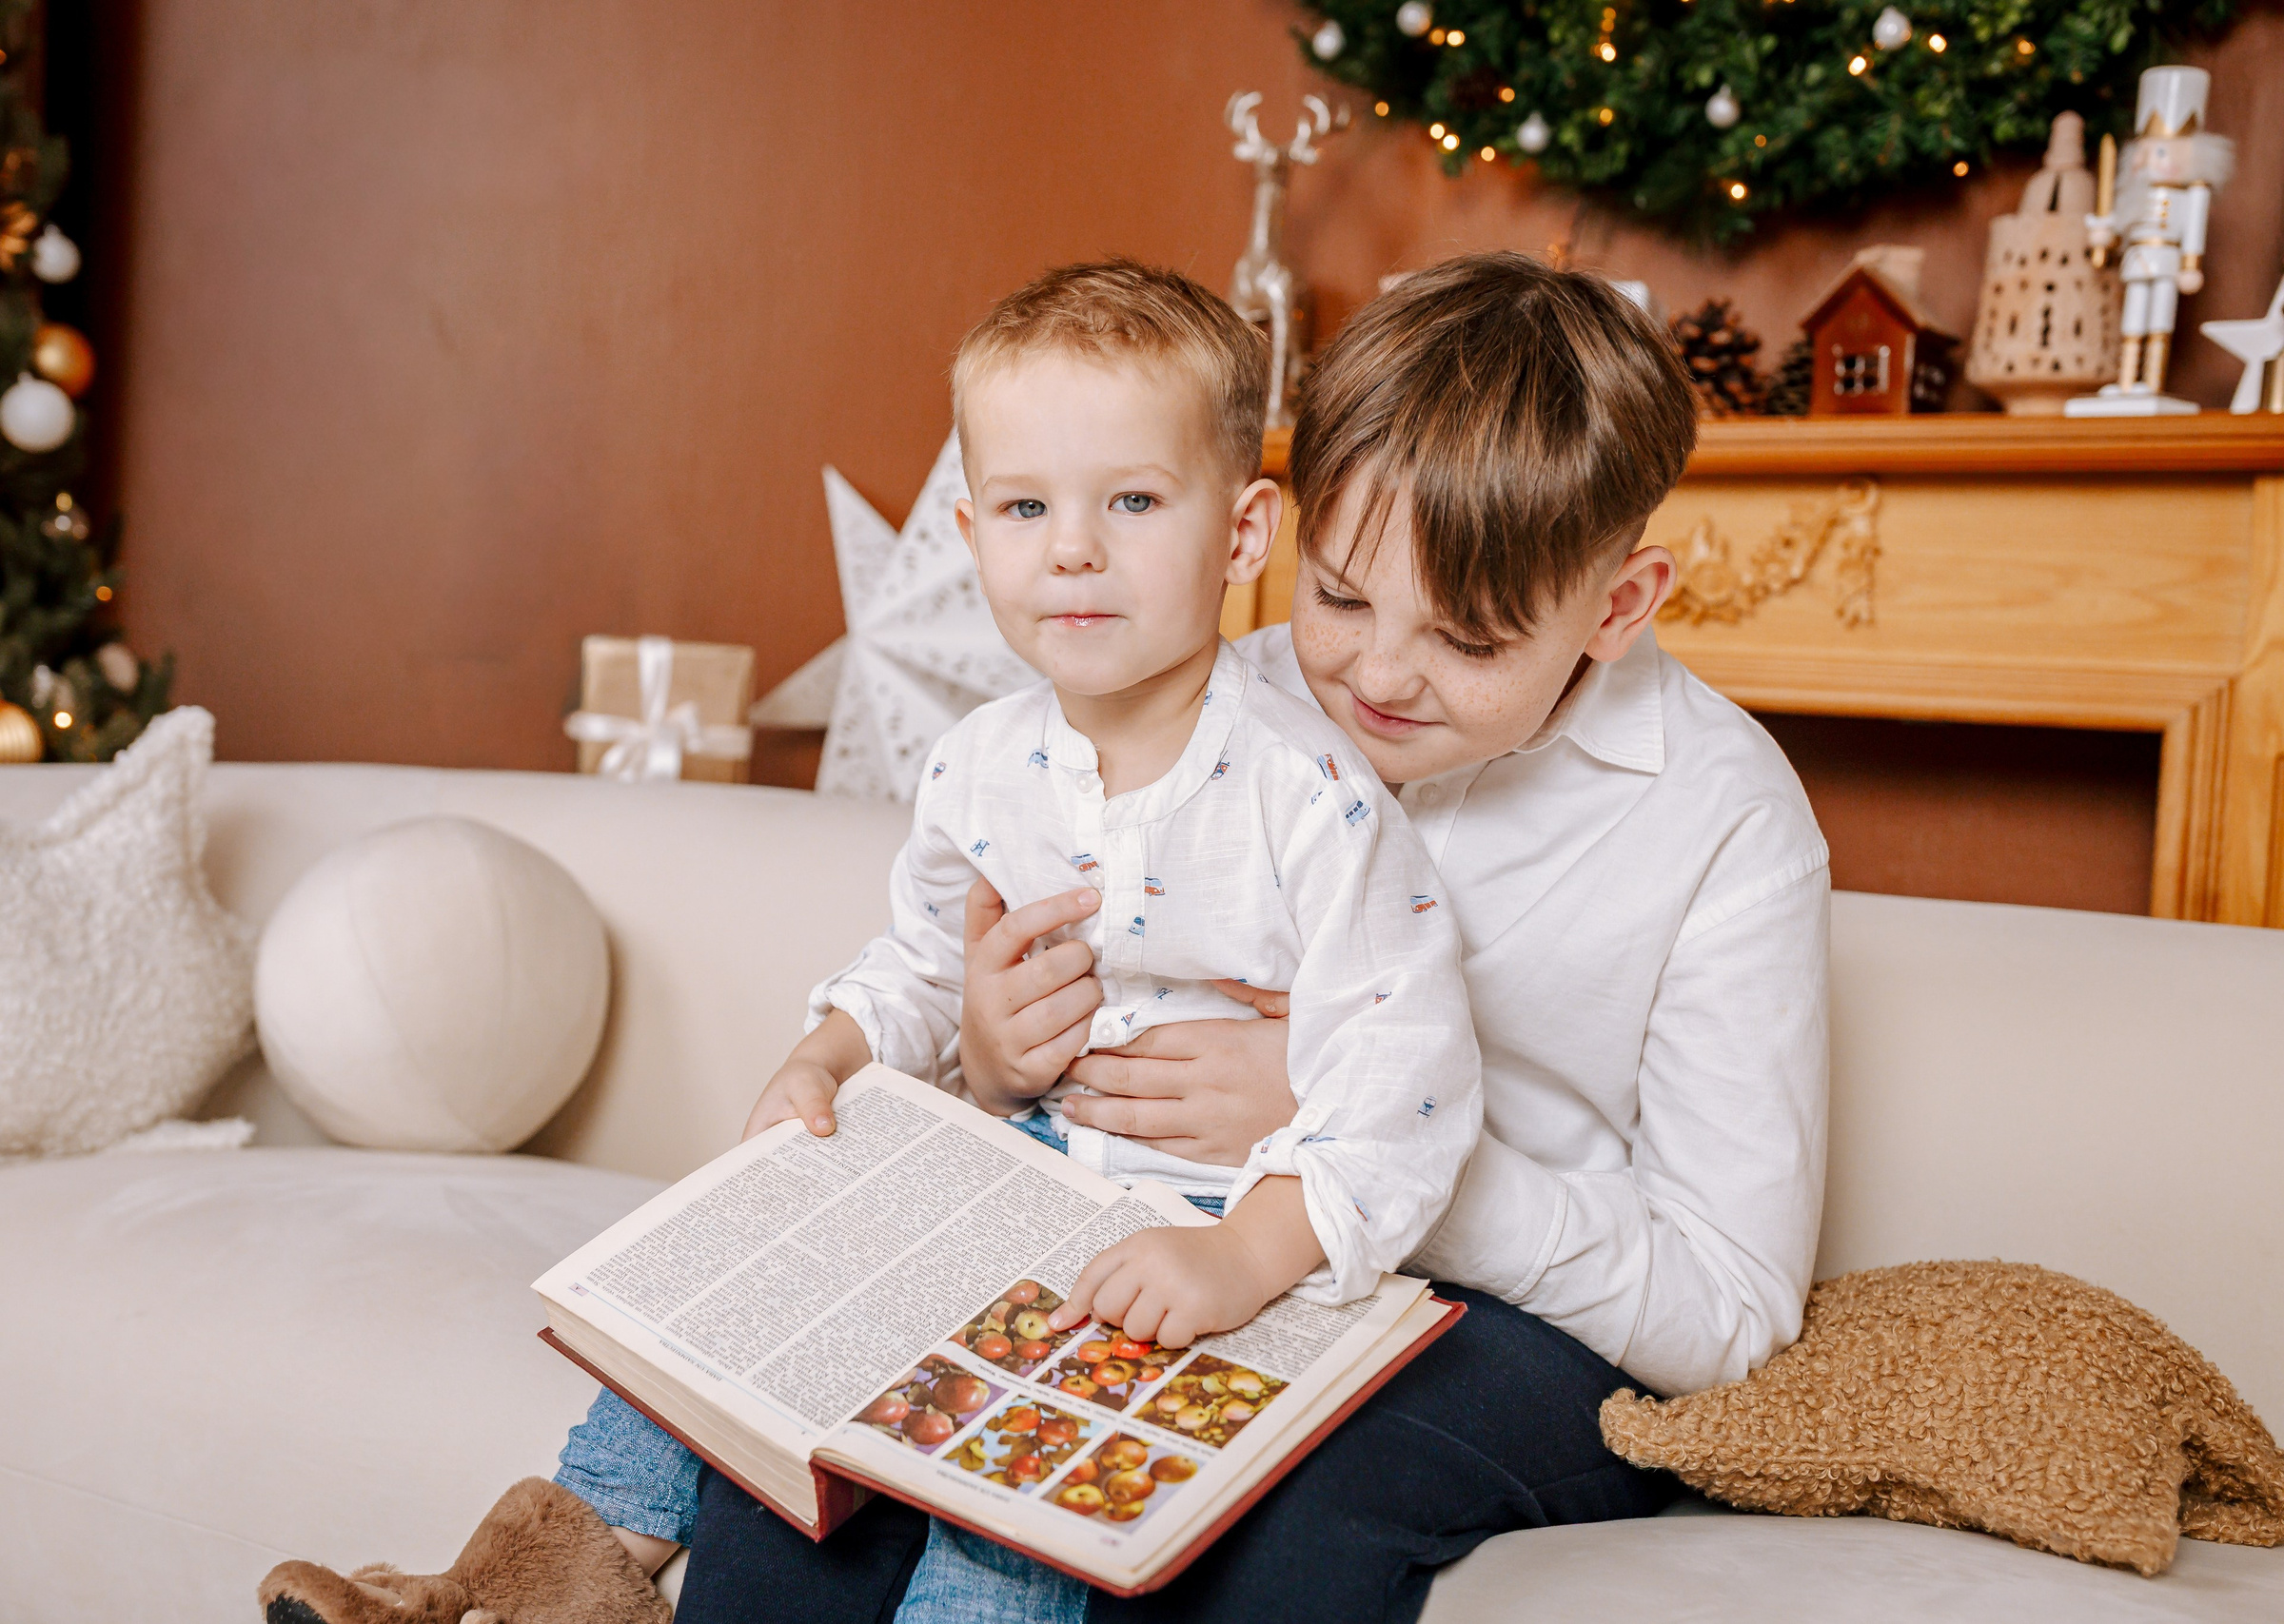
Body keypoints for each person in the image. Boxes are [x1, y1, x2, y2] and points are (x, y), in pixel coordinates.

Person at [259, 258, 1484, 1624]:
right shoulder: (983, 765)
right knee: (738, 1270)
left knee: (1009, 1491)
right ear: (973, 535)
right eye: (1026, 508)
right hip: (1013, 1176)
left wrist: (1242, 1256)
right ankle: (524, 1592)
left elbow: (1407, 1074)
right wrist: (827, 1056)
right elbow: (912, 960)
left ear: (1246, 533)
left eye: (1133, 503)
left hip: (1203, 1231)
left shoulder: (1311, 798)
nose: (1072, 548)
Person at [671, 254, 1830, 1624]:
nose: (1379, 677)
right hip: (1162, 1222)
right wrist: (989, 1063)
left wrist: (1354, 1134)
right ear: (1277, 537)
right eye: (1339, 597)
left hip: (1507, 1325)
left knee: (1277, 1516)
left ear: (1619, 607)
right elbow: (988, 1008)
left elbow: (1732, 1309)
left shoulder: (1725, 818)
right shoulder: (1210, 698)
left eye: (1469, 641)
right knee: (845, 1423)